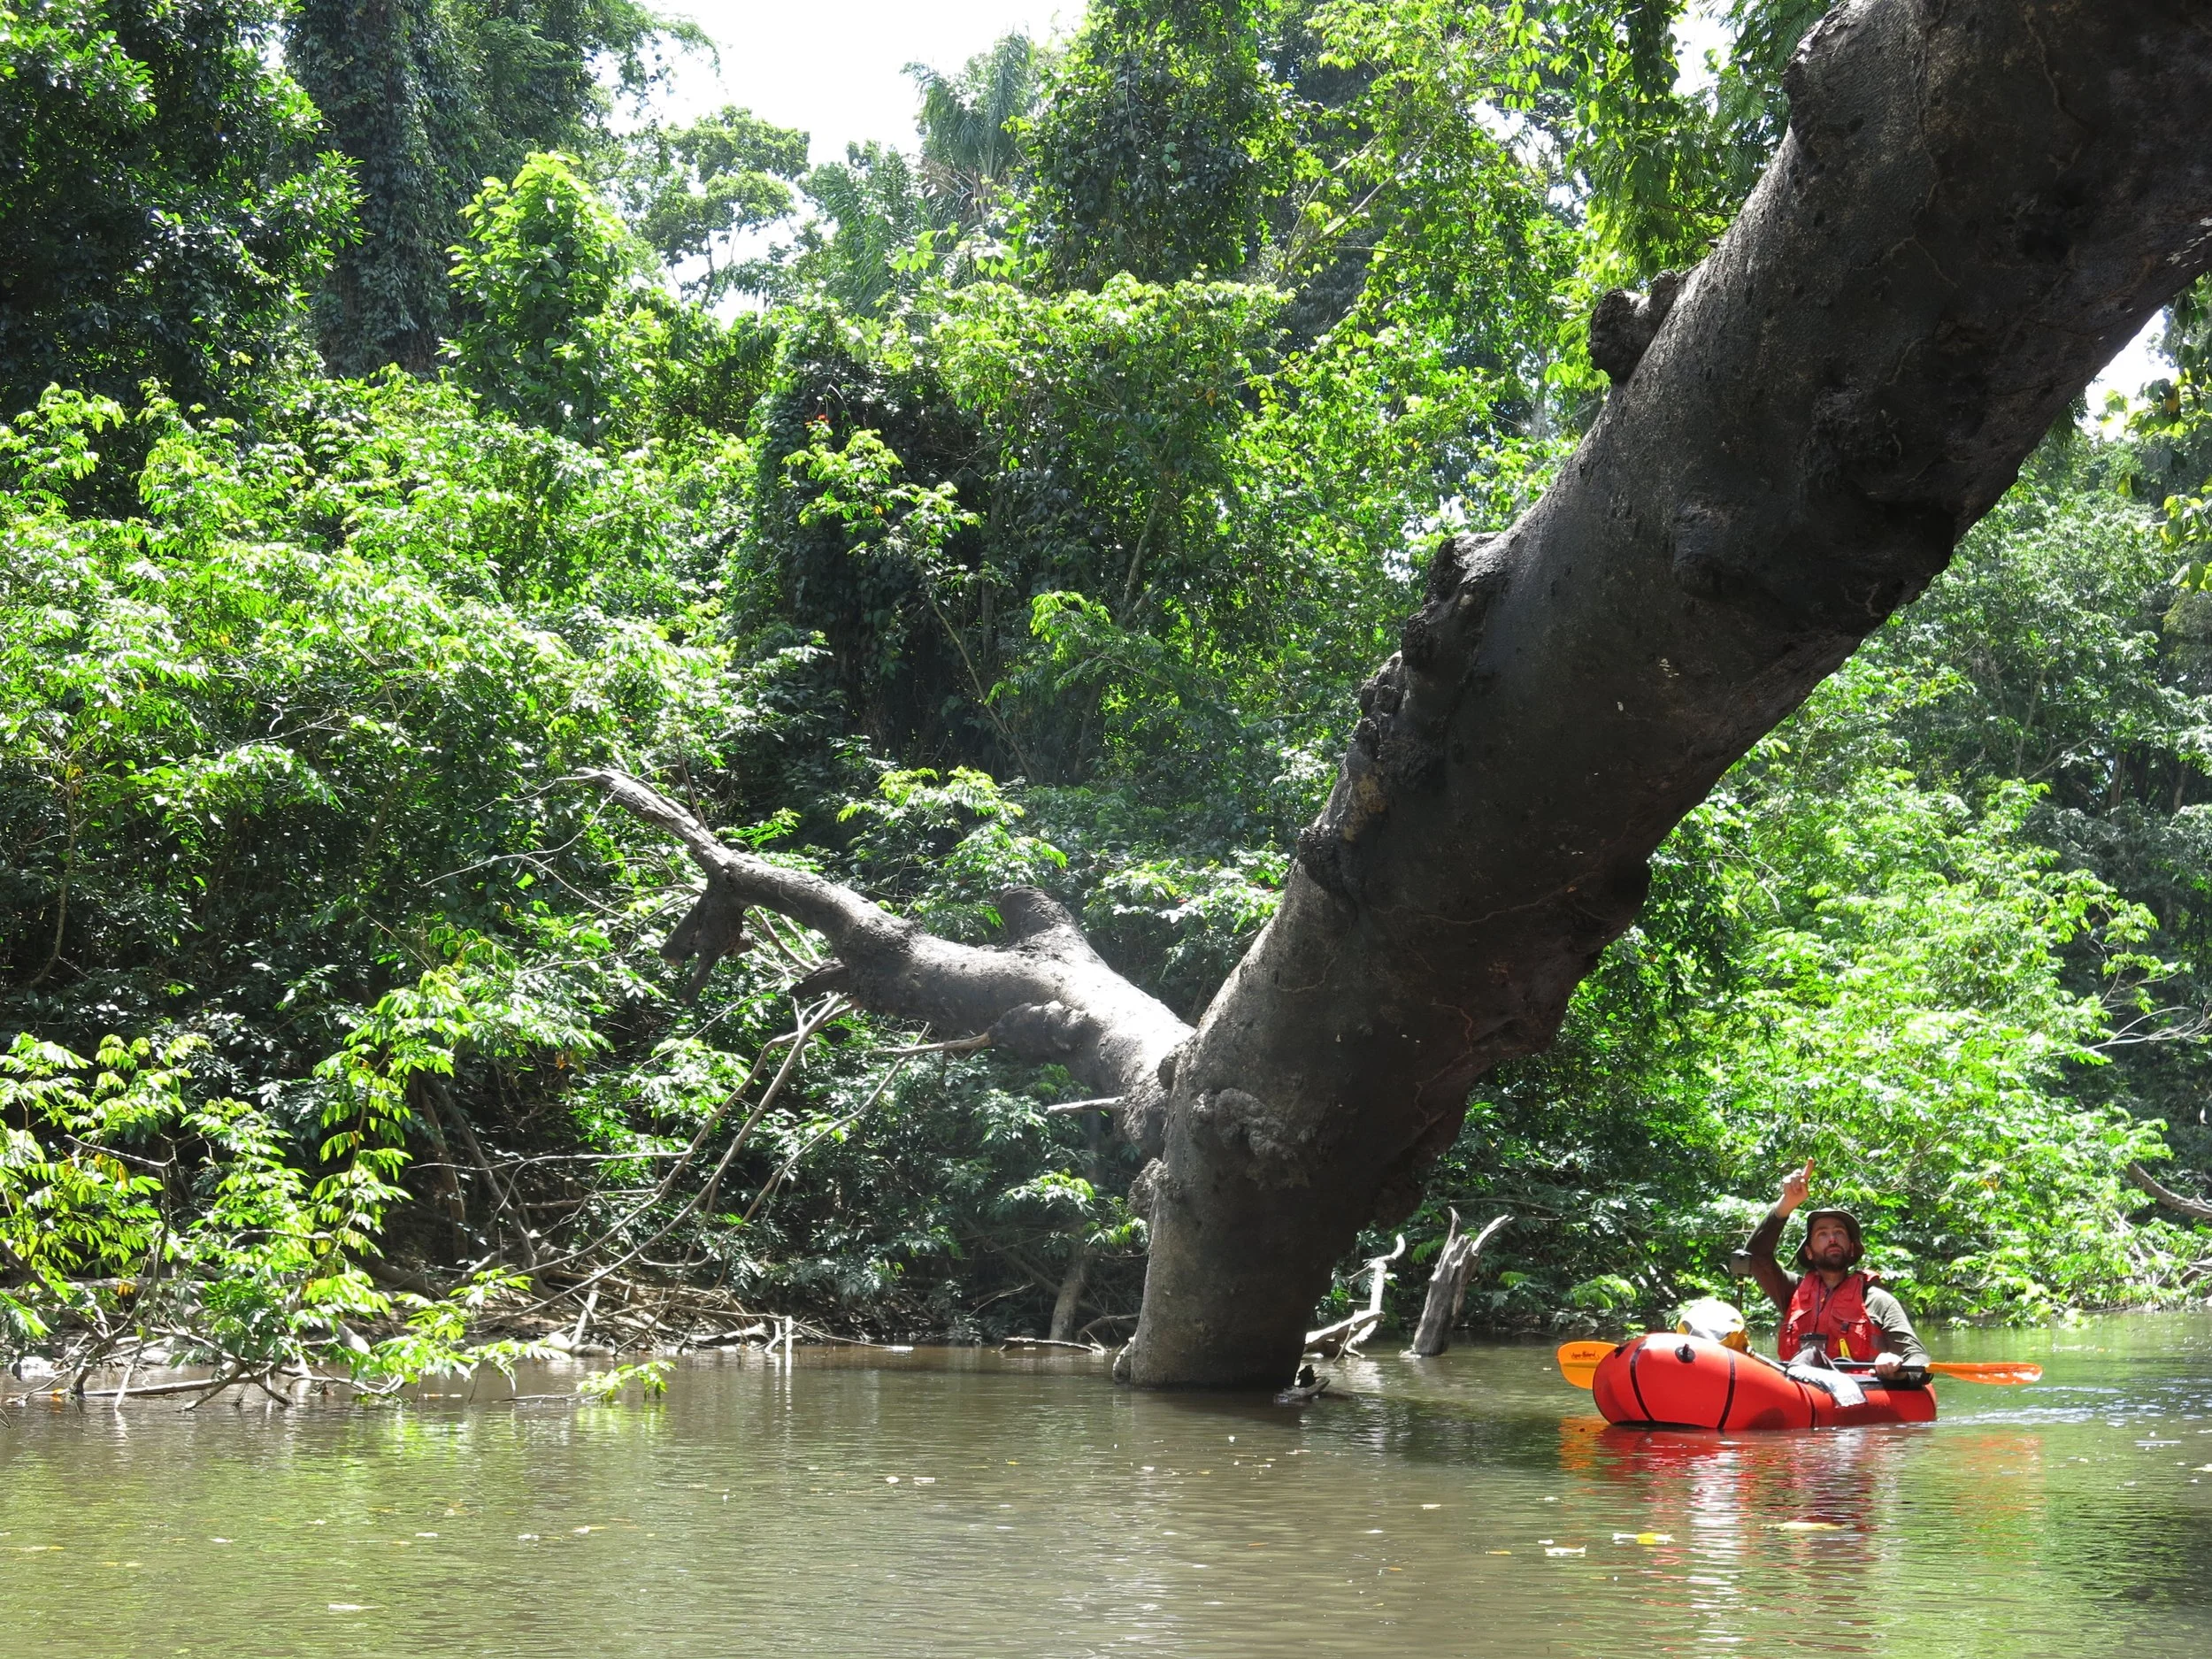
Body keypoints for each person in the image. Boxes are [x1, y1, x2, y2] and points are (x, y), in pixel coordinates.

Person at [1735, 1159, 1929, 1378]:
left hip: (1862, 1392)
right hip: (1801, 1391)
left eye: (1839, 1233)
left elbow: (1918, 1358)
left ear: (1852, 1248)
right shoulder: (1791, 1291)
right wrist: (1786, 1204)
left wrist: (1896, 1366)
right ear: (1809, 1252)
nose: (1832, 1239)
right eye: (1822, 1234)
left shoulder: (1877, 1300)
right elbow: (1756, 1257)